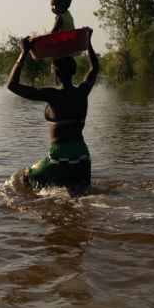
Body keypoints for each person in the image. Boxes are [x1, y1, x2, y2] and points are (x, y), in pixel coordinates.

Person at [7, 28, 98, 190]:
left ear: (54, 72)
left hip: (59, 157)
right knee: (82, 192)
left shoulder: (53, 95)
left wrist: (24, 52)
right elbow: (94, 69)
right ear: (73, 72)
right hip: (83, 155)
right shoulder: (82, 91)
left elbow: (12, 85)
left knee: (24, 178)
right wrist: (88, 42)